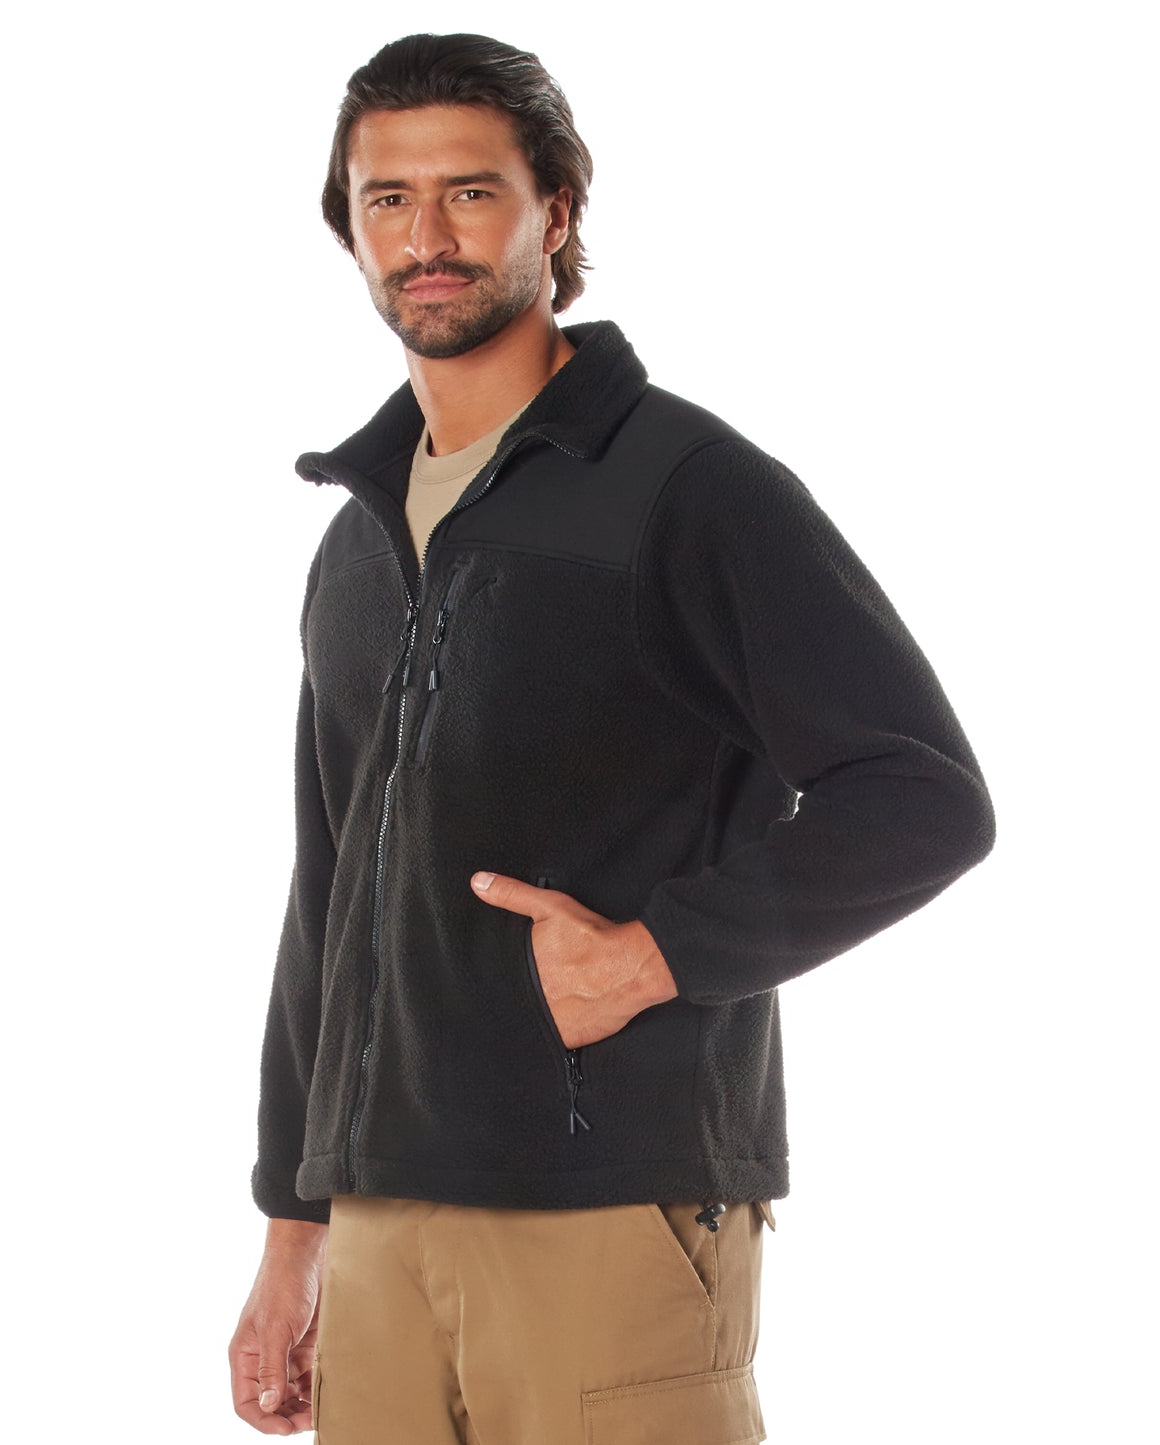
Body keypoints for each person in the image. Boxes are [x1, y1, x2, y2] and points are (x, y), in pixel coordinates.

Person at [228, 31, 995, 1443]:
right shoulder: (358, 537)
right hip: (378, 1221)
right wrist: (293, 1221)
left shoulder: (686, 488)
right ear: (349, 228)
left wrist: (654, 955)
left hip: (607, 1208)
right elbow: (327, 888)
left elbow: (921, 793)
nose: (427, 237)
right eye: (388, 199)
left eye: (471, 192)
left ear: (556, 212)